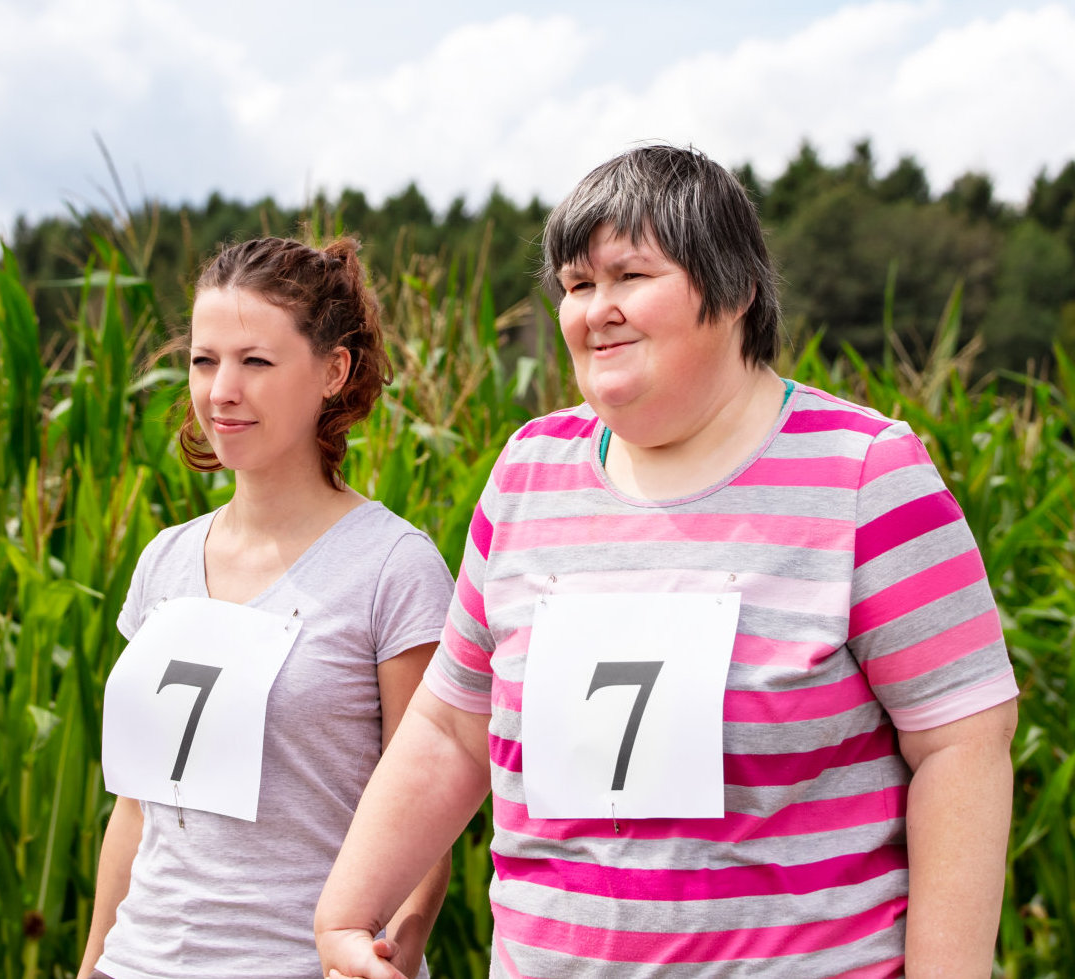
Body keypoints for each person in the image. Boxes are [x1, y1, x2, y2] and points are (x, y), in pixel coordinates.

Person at [315, 145, 1019, 978]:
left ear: (735, 290)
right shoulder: (529, 471)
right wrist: (345, 911)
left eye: (630, 277)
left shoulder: (864, 473)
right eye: (578, 286)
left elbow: (963, 747)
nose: (596, 310)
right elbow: (450, 728)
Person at [79, 237, 457, 979]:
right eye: (202, 359)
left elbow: (426, 827)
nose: (221, 389)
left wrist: (393, 954)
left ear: (333, 371)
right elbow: (135, 814)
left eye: (255, 361)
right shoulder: (164, 561)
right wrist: (90, 966)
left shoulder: (393, 567)